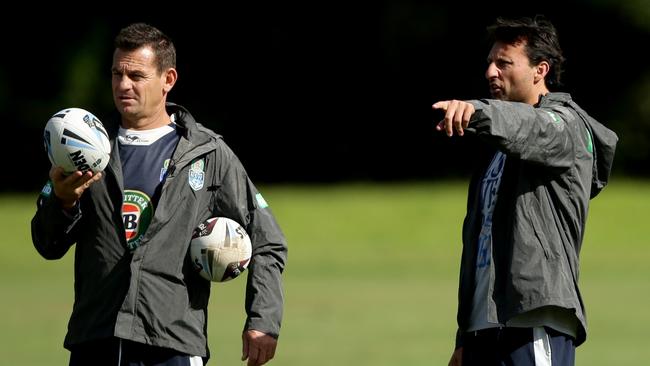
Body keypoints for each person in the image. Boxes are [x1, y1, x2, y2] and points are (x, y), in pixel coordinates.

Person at [31, 23, 287, 366]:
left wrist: (263, 320)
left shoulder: (207, 153)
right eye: (117, 73)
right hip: (96, 339)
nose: (123, 85)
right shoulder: (84, 150)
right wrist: (62, 202)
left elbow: (267, 241)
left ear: (168, 79)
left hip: (173, 343)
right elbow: (47, 245)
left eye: (136, 75)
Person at [432, 16, 618, 366]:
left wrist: (477, 111)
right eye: (489, 62)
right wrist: (465, 336)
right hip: (482, 331)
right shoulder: (497, 152)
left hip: (532, 325)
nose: (491, 72)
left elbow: (529, 126)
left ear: (540, 70)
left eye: (504, 63)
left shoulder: (565, 127)